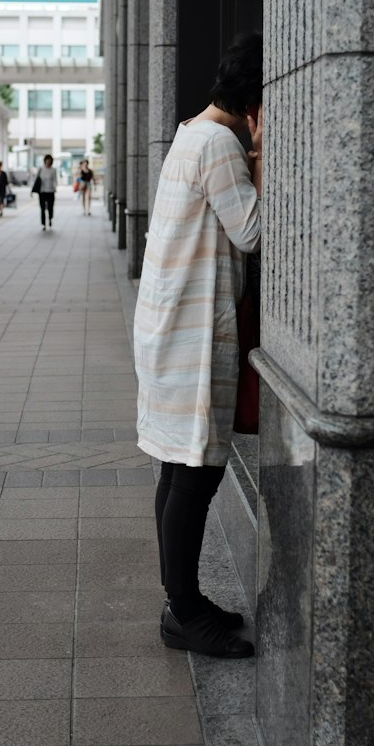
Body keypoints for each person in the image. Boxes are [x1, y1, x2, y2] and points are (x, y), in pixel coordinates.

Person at [134, 32, 263, 659]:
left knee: (180, 466)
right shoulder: (218, 143)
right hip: (191, 326)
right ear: (255, 100)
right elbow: (253, 231)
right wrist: (262, 153)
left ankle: (179, 602)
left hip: (172, 322)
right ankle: (182, 608)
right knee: (196, 473)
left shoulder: (193, 131)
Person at [32, 154, 57, 232]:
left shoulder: (53, 170)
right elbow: (36, 179)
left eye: (49, 161)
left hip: (50, 191)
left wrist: (55, 187)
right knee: (42, 208)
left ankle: (50, 219)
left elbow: (55, 180)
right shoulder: (41, 169)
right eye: (47, 160)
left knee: (50, 207)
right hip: (42, 191)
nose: (48, 162)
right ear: (45, 161)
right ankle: (43, 224)